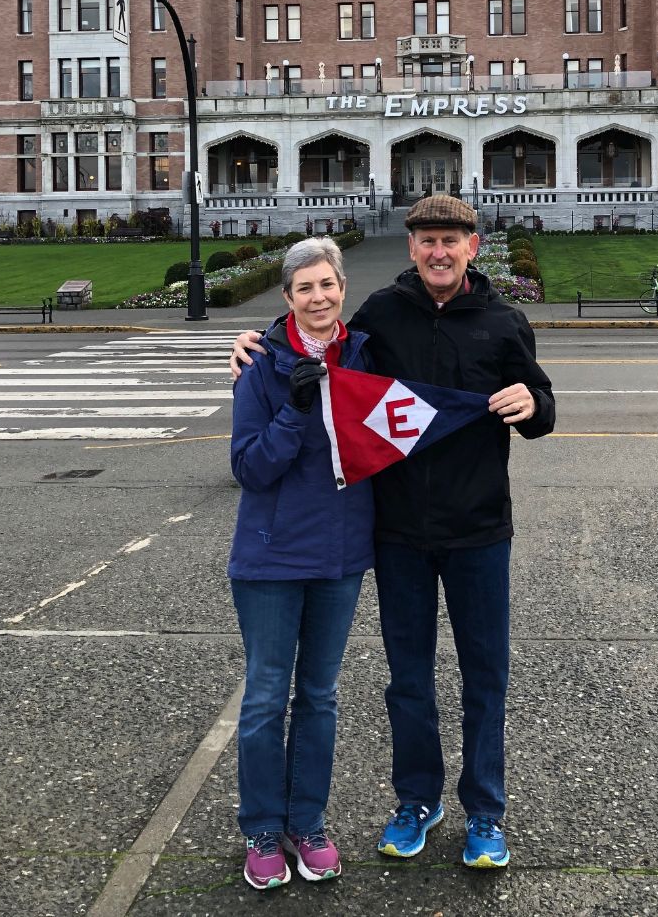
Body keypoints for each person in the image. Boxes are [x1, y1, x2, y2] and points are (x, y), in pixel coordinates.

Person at [231, 195, 555, 869]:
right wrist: (255, 341)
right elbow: (314, 331)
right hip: (399, 532)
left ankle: (486, 810)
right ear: (412, 247)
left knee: (484, 676)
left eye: (452, 240)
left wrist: (532, 405)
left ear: (473, 245)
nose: (439, 251)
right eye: (428, 239)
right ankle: (417, 798)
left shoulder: (504, 322)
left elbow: (541, 401)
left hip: (479, 528)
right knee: (406, 679)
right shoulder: (382, 316)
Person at [228, 237, 374, 891]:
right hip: (270, 556)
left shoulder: (366, 354)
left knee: (318, 696)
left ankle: (306, 821)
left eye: (328, 283)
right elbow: (249, 466)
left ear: (343, 287)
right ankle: (262, 825)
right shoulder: (262, 361)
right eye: (305, 287)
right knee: (264, 698)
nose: (319, 296)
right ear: (287, 297)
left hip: (339, 555)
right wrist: (293, 408)